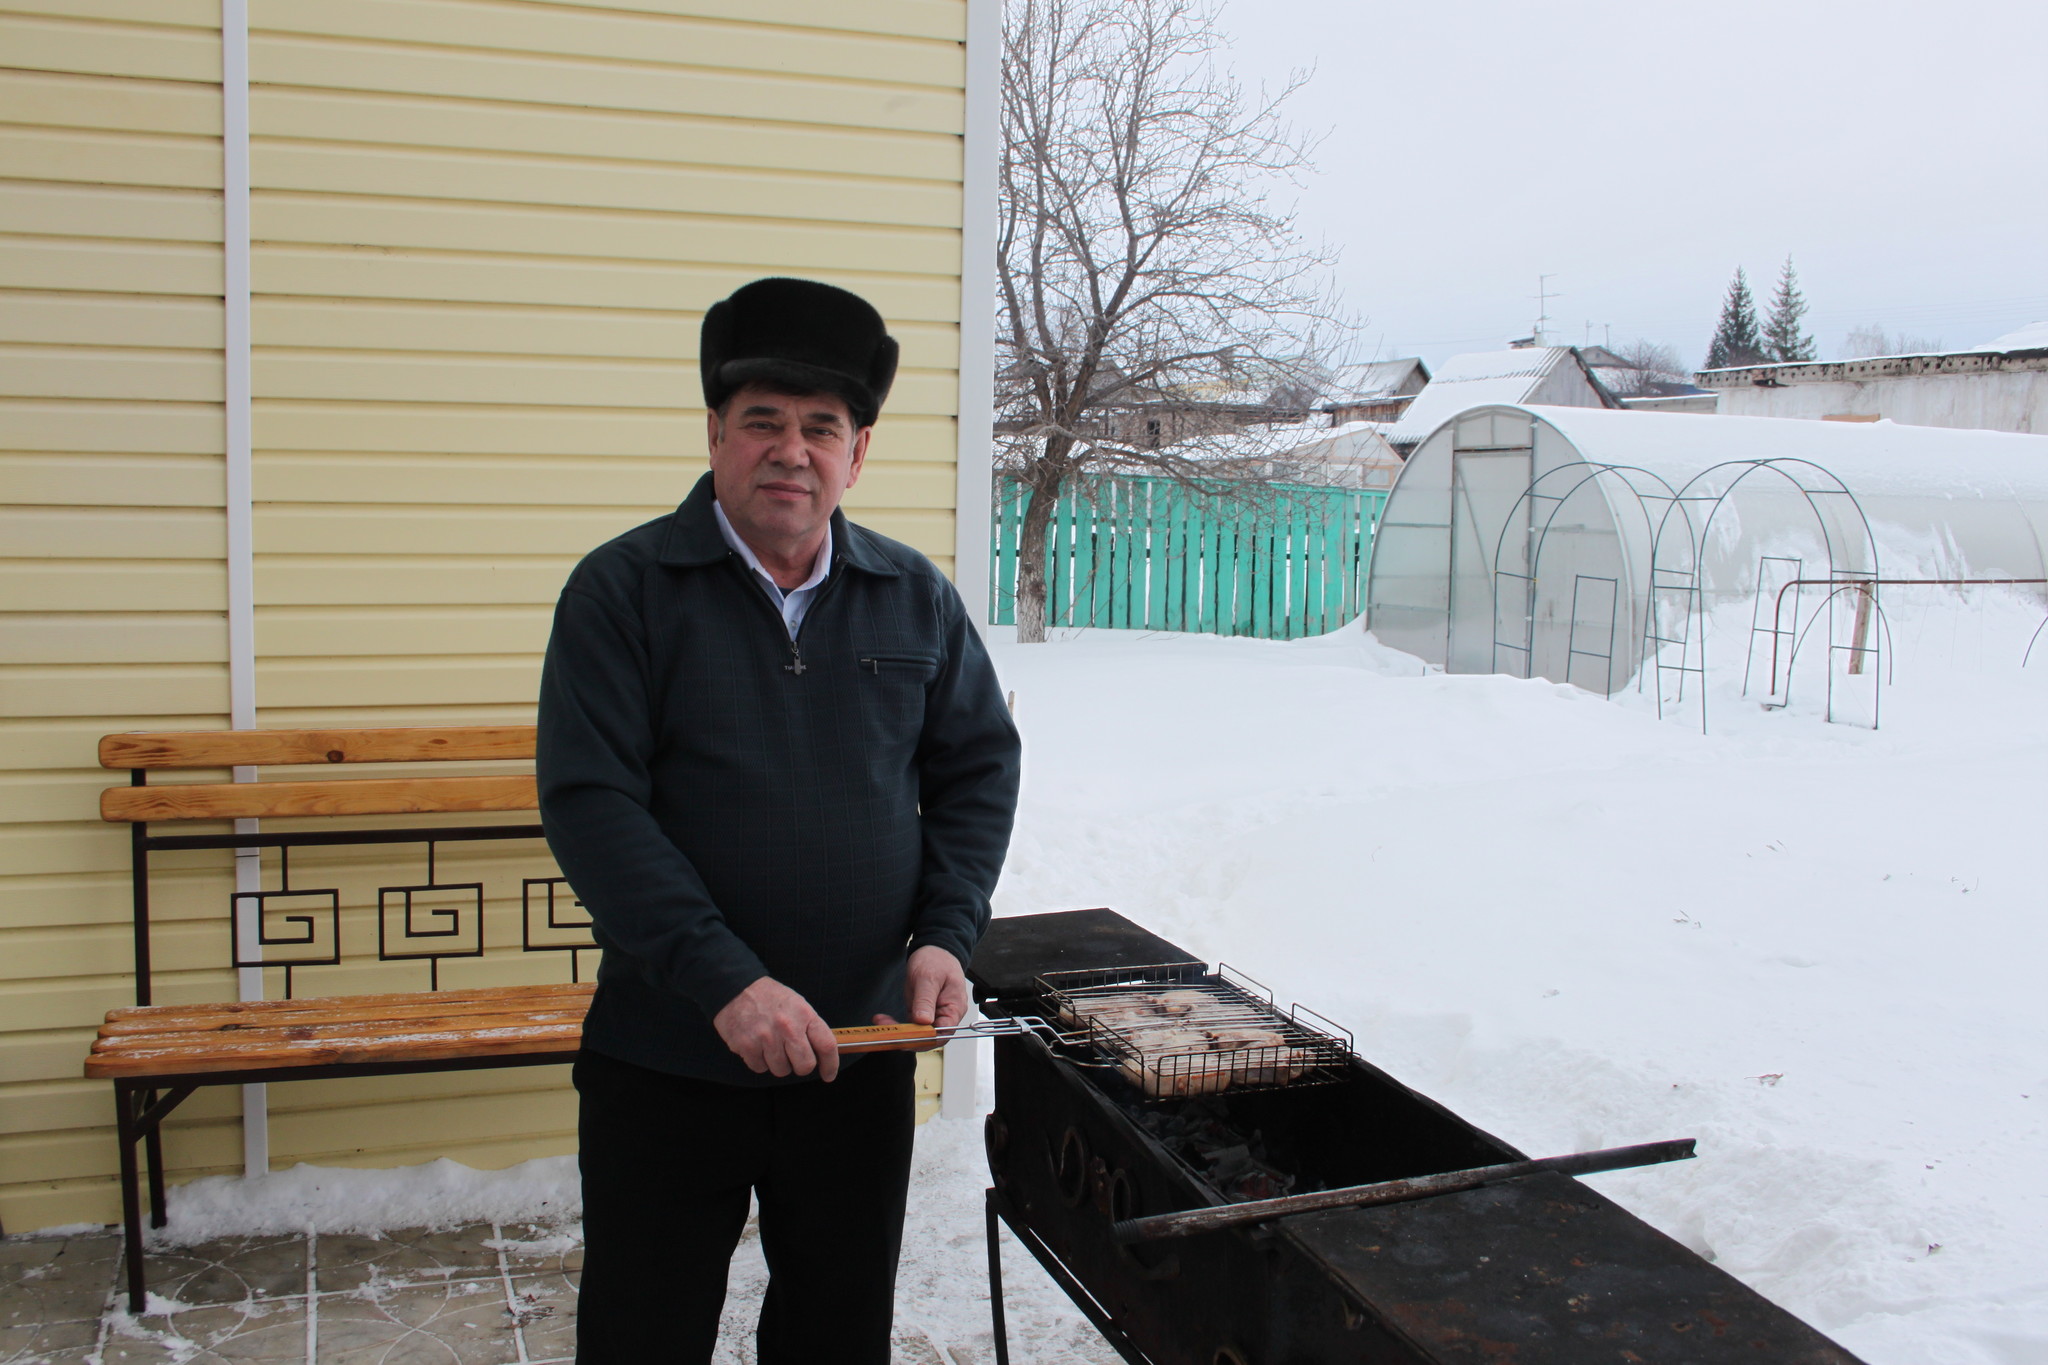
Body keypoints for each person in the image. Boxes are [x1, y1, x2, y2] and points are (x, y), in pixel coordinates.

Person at [536, 277, 1022, 1364]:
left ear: (858, 453)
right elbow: (592, 804)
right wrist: (725, 982)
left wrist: (947, 930)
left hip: (854, 1052)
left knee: (833, 1333)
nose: (790, 451)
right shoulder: (623, 593)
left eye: (821, 428)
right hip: (670, 1055)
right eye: (761, 421)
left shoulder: (912, 597)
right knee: (642, 1332)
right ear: (715, 433)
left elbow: (976, 767)